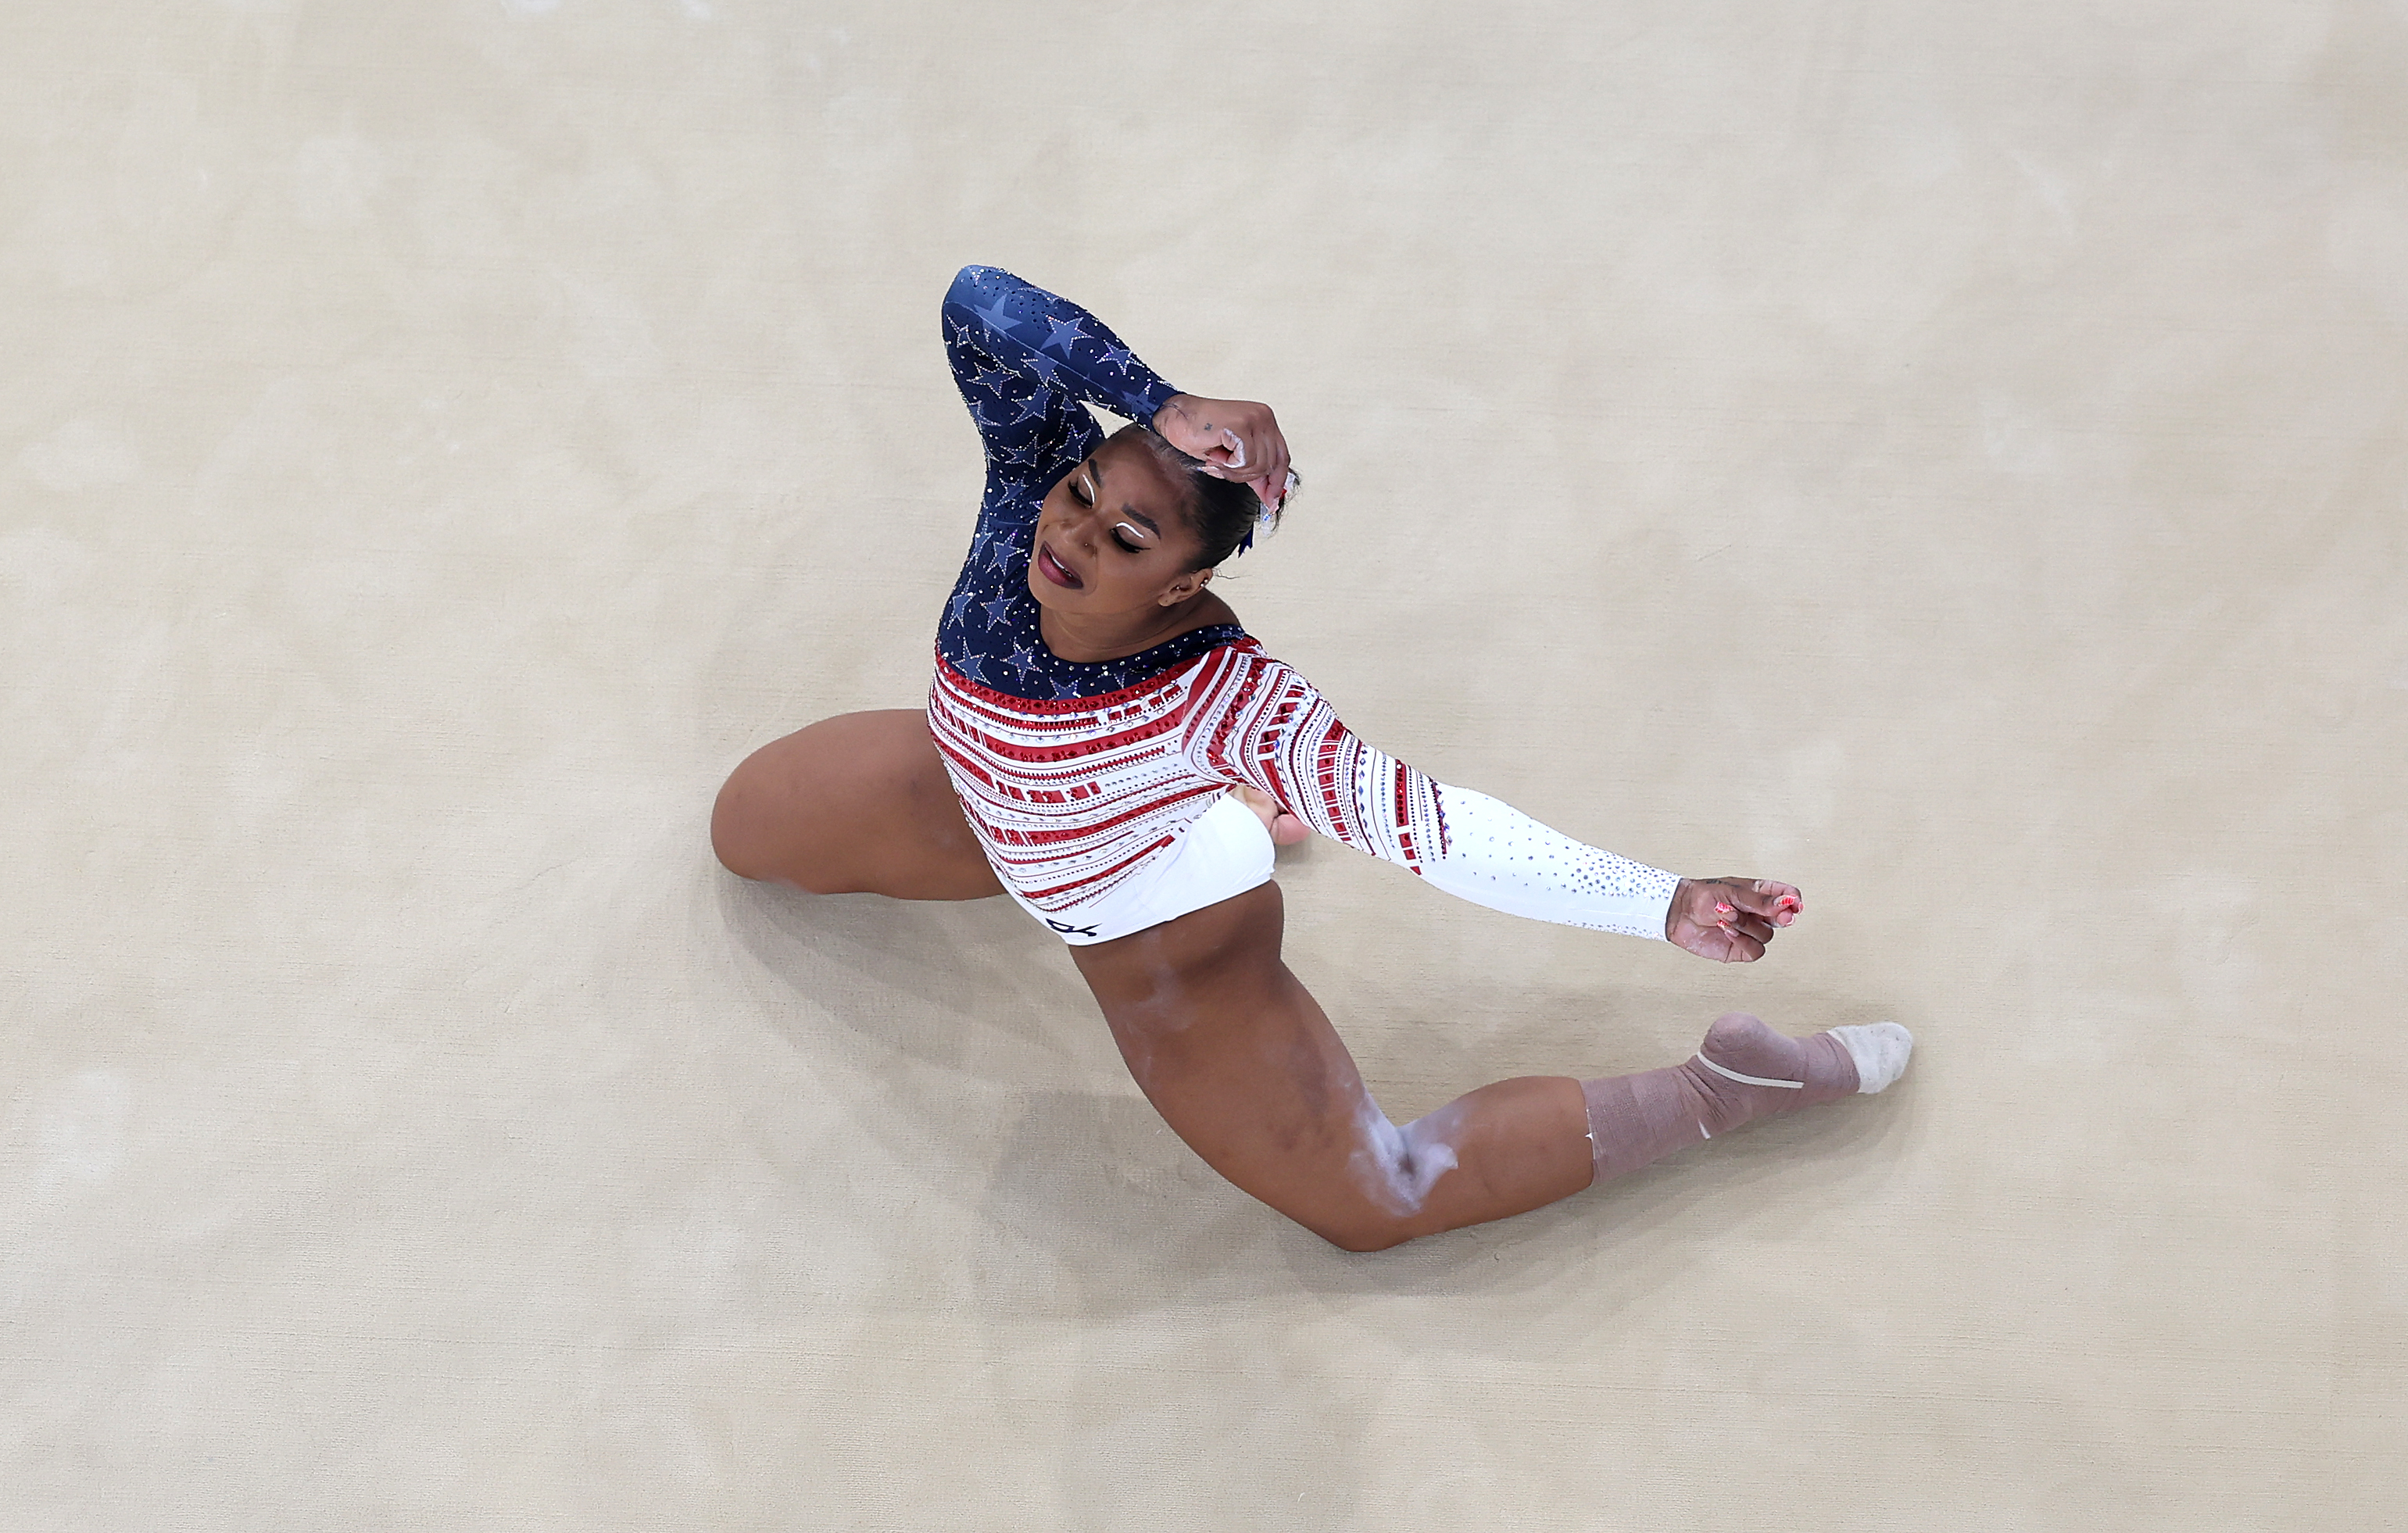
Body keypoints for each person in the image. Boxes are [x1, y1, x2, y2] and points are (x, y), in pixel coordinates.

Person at [711, 266, 1912, 1252]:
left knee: (1374, 1198)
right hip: (974, 788)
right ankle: (1202, 804)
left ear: (1182, 582)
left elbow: (1434, 828)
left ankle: (1727, 1090)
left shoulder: (1230, 695)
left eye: (1122, 537)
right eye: (1082, 493)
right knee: (742, 832)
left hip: (1143, 921)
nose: (1070, 532)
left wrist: (1662, 902)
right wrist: (1159, 396)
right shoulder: (1031, 490)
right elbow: (976, 302)